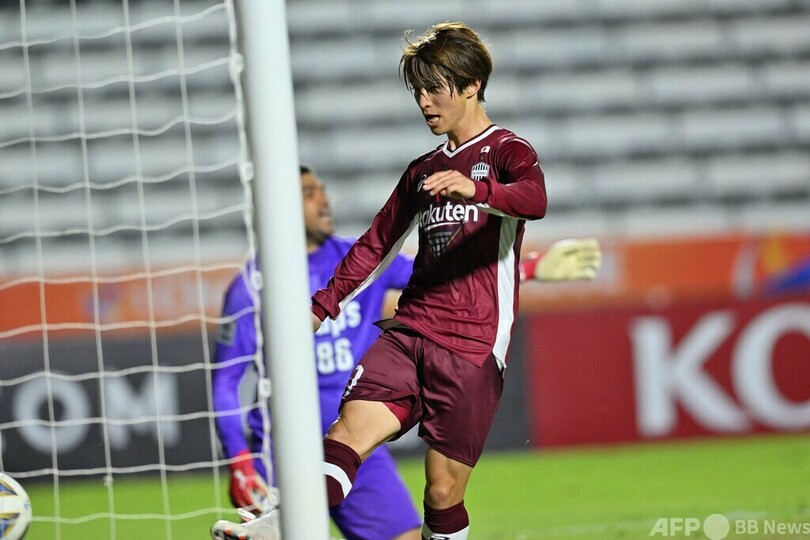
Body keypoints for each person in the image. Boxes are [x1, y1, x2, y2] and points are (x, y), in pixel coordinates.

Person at [212, 22, 601, 540]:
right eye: (417, 90)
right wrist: (320, 307)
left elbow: (535, 199)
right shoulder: (422, 171)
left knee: (442, 493)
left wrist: (479, 190)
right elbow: (374, 245)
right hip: (409, 332)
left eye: (434, 88)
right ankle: (282, 526)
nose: (423, 101)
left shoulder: (508, 151)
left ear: (472, 85)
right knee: (348, 432)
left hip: (471, 346)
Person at [210, 165, 422, 540]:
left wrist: (517, 269)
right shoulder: (251, 286)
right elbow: (226, 381)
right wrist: (239, 459)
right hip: (281, 453)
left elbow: (440, 275)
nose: (324, 200)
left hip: (354, 440)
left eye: (322, 190)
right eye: (309, 193)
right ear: (278, 207)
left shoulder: (359, 260)